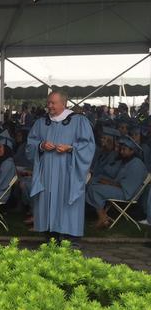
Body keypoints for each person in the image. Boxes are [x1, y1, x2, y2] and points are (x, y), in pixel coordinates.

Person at [26, 91, 95, 242]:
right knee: (47, 201)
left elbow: (88, 146)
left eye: (53, 103)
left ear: (64, 103)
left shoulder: (78, 121)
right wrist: (41, 145)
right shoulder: (41, 123)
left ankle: (71, 240)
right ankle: (50, 238)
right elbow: (30, 145)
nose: (49, 106)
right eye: (48, 102)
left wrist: (71, 148)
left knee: (67, 202)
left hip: (68, 171)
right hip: (47, 173)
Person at [86, 136, 147, 228]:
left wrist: (108, 183)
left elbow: (128, 187)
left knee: (94, 189)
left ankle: (102, 218)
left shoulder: (137, 164)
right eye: (121, 149)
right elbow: (118, 179)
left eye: (124, 149)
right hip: (121, 189)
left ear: (132, 151)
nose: (121, 152)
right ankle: (103, 217)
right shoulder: (128, 161)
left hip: (126, 194)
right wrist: (105, 181)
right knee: (93, 184)